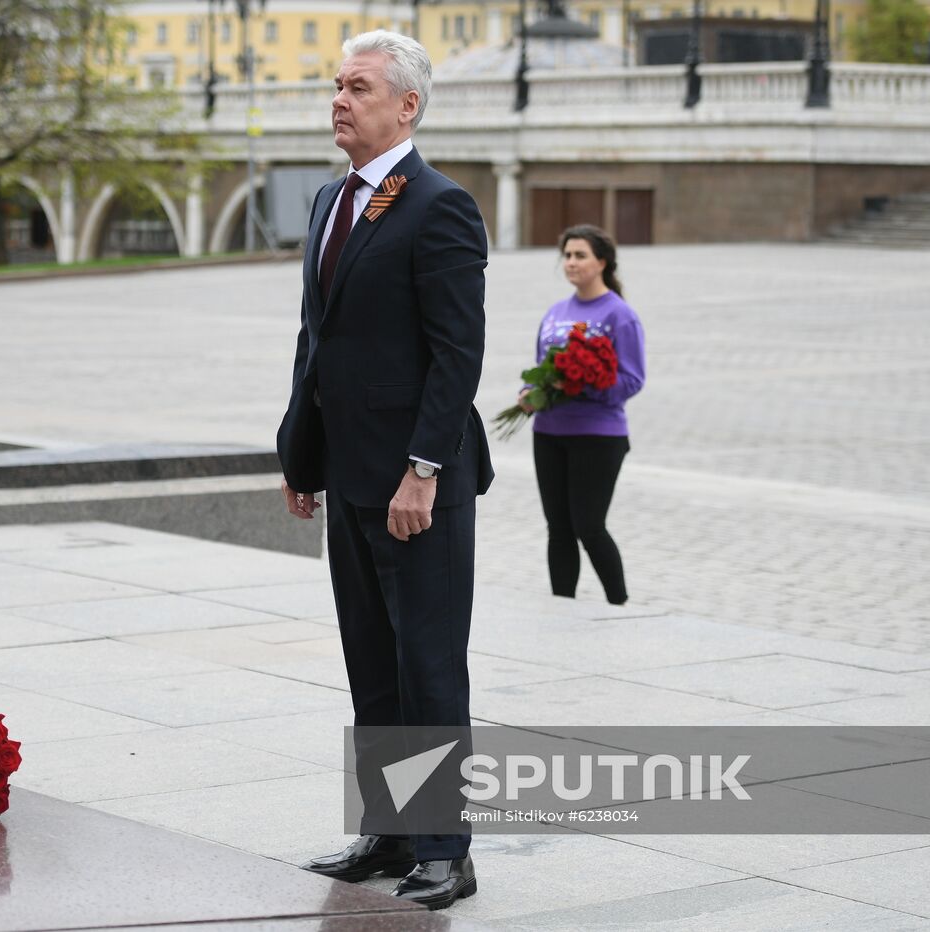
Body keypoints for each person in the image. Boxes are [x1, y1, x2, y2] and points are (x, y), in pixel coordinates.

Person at [275, 29, 492, 911]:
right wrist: (301, 452)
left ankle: (446, 850)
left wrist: (424, 468)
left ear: (405, 106)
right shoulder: (332, 200)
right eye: (337, 85)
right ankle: (389, 829)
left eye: (358, 87)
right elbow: (316, 343)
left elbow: (456, 351)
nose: (339, 99)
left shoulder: (440, 205)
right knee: (370, 659)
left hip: (417, 487)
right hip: (350, 474)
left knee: (427, 664)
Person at [518, 224, 645, 605]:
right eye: (567, 256)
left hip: (598, 436)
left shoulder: (620, 315)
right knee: (558, 528)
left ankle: (619, 604)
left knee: (588, 526)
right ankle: (562, 605)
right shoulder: (556, 312)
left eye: (580, 255)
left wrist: (582, 385)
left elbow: (632, 379)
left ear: (602, 262)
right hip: (550, 432)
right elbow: (541, 366)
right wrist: (529, 393)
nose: (571, 263)